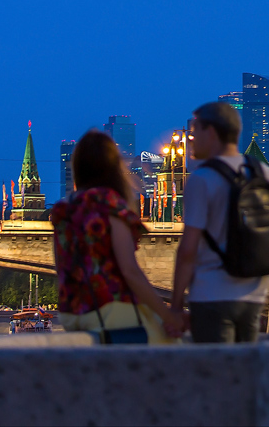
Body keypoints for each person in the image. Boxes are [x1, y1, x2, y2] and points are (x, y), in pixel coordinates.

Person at [50, 131, 182, 344]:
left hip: (71, 315)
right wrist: (168, 316)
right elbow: (129, 270)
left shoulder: (62, 212)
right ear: (113, 167)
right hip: (109, 311)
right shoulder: (109, 204)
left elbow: (61, 268)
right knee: (169, 342)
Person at [171, 102, 269, 344]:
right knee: (245, 373)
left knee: (217, 374)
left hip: (212, 296)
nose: (190, 140)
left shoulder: (202, 179)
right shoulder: (265, 174)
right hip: (255, 296)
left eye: (194, 133)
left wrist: (176, 305)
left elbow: (188, 249)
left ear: (210, 132)